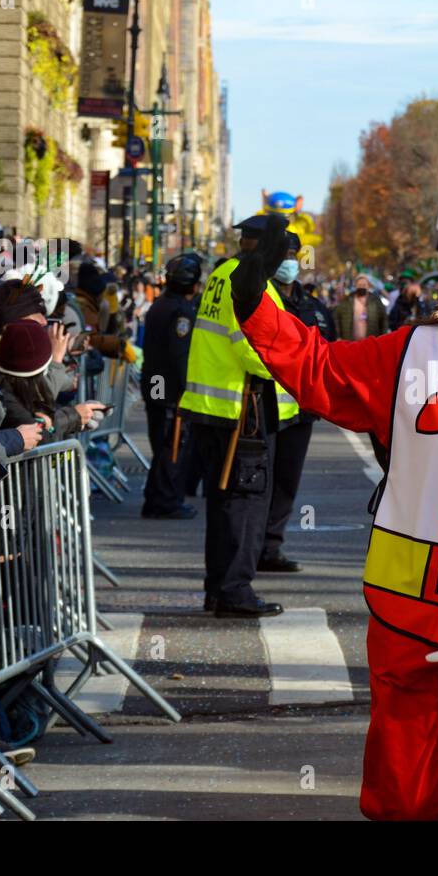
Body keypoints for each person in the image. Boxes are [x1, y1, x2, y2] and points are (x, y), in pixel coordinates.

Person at [231, 213, 438, 820]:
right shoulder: (419, 350)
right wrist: (257, 306)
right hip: (413, 617)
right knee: (402, 799)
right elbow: (324, 371)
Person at [178, 217, 291, 618]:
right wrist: (287, 367)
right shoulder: (249, 281)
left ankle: (218, 588)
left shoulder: (221, 274)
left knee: (224, 504)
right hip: (243, 409)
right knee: (245, 504)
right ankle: (234, 590)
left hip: (214, 408)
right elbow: (255, 345)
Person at [260, 232, 334, 571]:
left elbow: (332, 351)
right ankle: (253, 546)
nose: (288, 261)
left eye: (292, 254)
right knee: (262, 479)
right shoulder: (262, 298)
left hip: (301, 408)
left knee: (287, 479)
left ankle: (271, 547)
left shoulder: (313, 306)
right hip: (263, 405)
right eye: (282, 254)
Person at [140, 253, 201, 520]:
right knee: (171, 444)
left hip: (155, 382)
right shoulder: (181, 312)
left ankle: (157, 497)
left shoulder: (159, 305)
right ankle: (165, 500)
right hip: (168, 387)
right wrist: (187, 388)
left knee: (162, 441)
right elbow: (180, 355)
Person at [334, 273, 388, 340]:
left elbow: (384, 320)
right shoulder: (347, 301)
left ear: (369, 286)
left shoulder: (376, 301)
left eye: (364, 285)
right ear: (355, 286)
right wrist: (338, 336)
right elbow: (337, 317)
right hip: (349, 343)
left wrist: (383, 338)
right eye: (359, 285)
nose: (361, 287)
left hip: (370, 342)